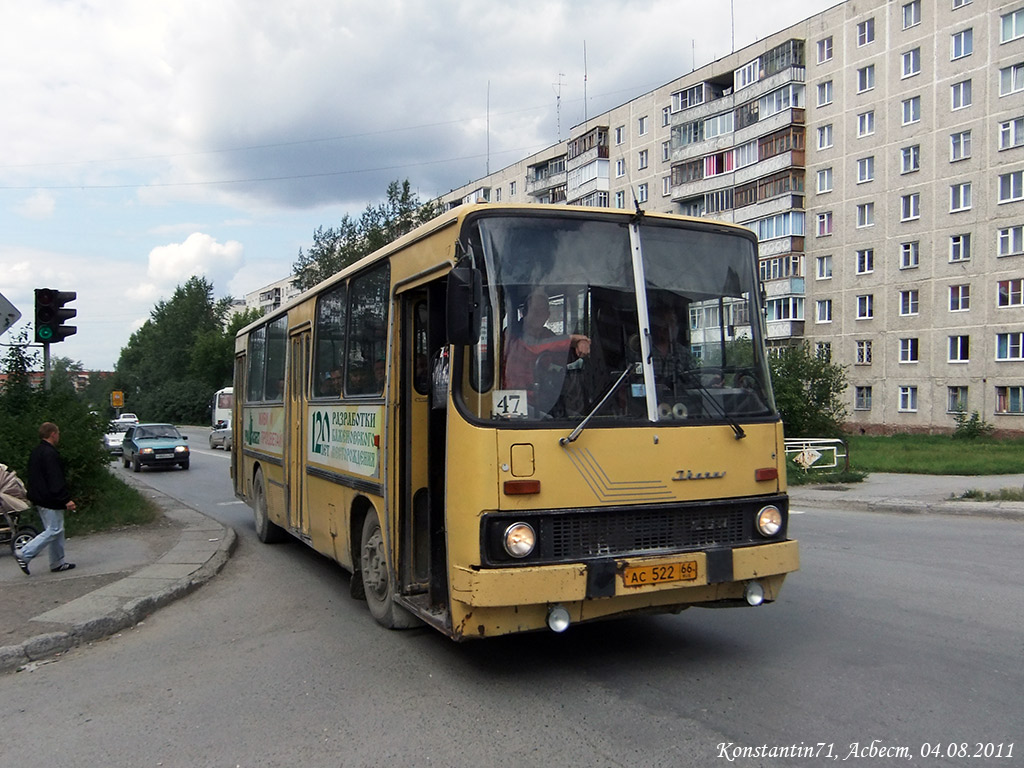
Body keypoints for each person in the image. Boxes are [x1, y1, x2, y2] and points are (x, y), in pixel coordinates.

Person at [14, 422, 77, 575]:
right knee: (54, 530)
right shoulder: (50, 454)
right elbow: (55, 479)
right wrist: (65, 499)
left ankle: (57, 562)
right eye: (58, 433)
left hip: (39, 497)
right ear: (53, 434)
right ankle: (25, 553)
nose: (59, 436)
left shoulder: (36, 452)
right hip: (50, 498)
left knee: (57, 531)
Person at [502, 288, 591, 392]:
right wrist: (570, 339)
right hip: (511, 394)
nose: (539, 315)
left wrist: (578, 348)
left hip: (540, 397)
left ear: (547, 316)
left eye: (543, 311)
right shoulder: (512, 333)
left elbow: (561, 356)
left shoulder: (547, 335)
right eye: (535, 310)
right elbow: (533, 346)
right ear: (524, 313)